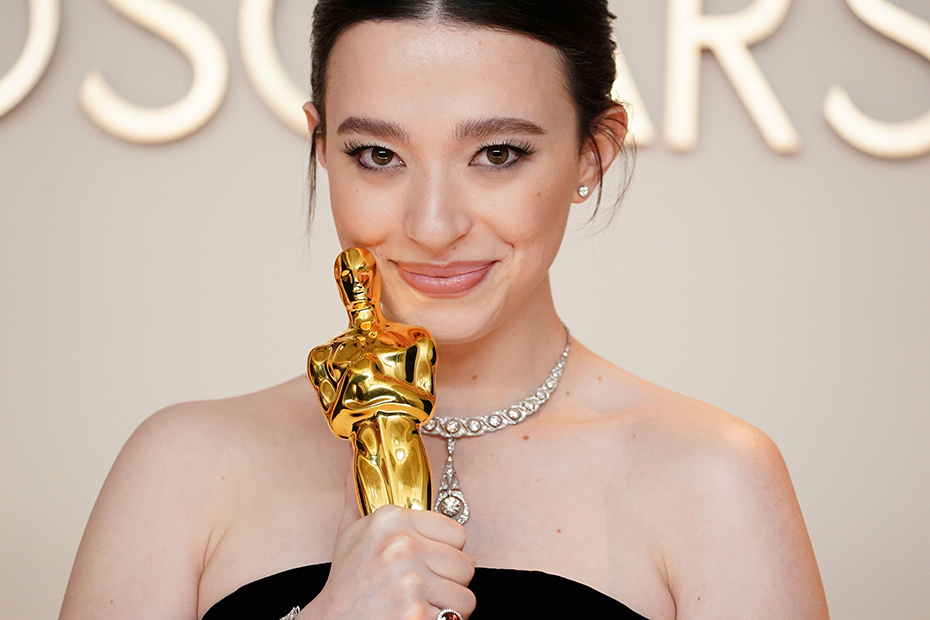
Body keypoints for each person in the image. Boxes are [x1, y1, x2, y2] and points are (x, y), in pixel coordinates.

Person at [58, 1, 830, 619]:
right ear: (322, 147)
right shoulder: (183, 468)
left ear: (593, 152)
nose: (433, 225)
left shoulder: (715, 480)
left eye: (497, 154)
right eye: (378, 155)